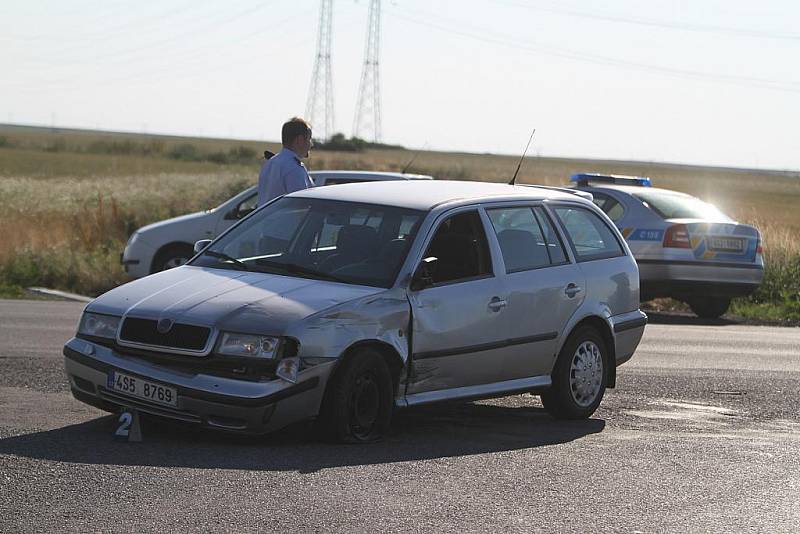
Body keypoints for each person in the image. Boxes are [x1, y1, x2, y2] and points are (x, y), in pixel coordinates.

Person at [257, 117, 315, 206]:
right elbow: (301, 204)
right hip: (285, 220)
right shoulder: (293, 168)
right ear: (299, 140)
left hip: (265, 219)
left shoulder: (270, 163)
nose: (311, 144)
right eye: (309, 139)